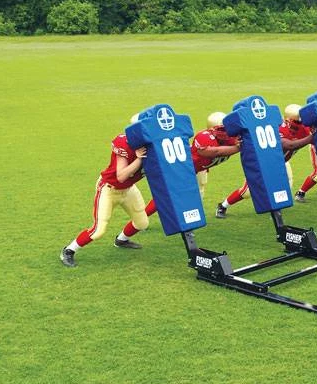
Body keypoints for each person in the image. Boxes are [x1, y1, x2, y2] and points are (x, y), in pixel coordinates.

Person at [120, 111, 241, 235]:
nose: (225, 132)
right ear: (211, 129)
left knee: (196, 196)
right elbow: (212, 152)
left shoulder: (231, 138)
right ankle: (142, 218)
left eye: (226, 129)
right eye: (221, 129)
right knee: (166, 197)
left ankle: (190, 222)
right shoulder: (204, 137)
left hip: (200, 169)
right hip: (183, 169)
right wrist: (237, 148)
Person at [60, 114, 149, 268]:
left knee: (142, 223)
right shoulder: (124, 143)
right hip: (109, 189)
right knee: (98, 230)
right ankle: (68, 250)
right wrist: (139, 159)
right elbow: (121, 176)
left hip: (129, 189)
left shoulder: (153, 145)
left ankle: (121, 240)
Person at [216, 104, 313, 217]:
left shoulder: (304, 129)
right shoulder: (280, 128)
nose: (298, 125)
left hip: (281, 161)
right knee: (247, 191)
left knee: (286, 184)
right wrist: (310, 138)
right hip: (264, 162)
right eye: (296, 122)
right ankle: (223, 205)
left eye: (300, 122)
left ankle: (275, 206)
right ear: (287, 120)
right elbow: (289, 145)